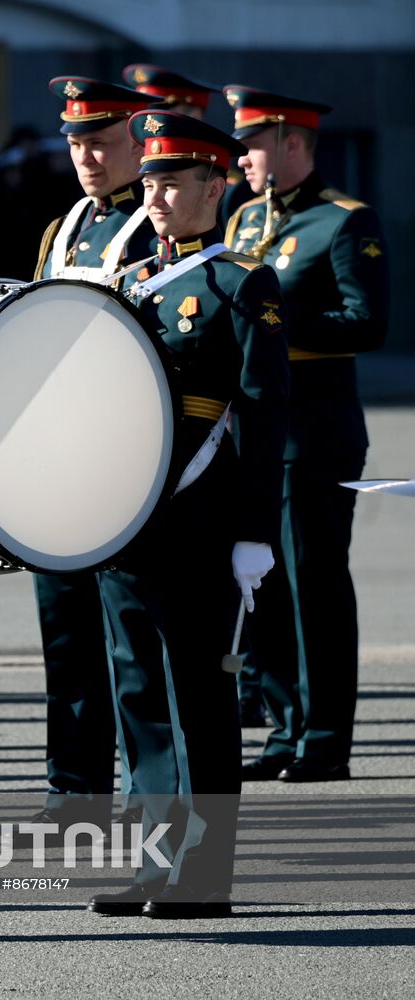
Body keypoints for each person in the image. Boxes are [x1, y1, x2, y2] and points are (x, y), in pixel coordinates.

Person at [89, 110, 288, 918]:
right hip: (127, 518)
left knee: (197, 701)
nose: (156, 195)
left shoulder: (242, 284)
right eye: (152, 180)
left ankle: (203, 873)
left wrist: (255, 533)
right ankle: (153, 861)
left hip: (201, 522)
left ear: (218, 185)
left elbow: (266, 415)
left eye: (174, 180)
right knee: (138, 693)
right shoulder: (131, 280)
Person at [224, 85, 390, 784]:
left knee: (311, 585)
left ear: (293, 142)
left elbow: (368, 323)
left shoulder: (343, 222)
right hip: (249, 436)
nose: (243, 157)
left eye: (253, 144)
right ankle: (285, 729)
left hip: (312, 434)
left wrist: (276, 330)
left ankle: (324, 739)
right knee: (262, 587)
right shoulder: (240, 220)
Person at [30, 76, 156, 831]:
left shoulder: (155, 225)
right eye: (76, 141)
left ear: (139, 142)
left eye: (101, 141)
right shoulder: (68, 223)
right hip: (58, 454)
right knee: (66, 630)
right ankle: (73, 786)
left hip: (121, 452)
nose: (86, 156)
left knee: (127, 642)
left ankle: (141, 795)